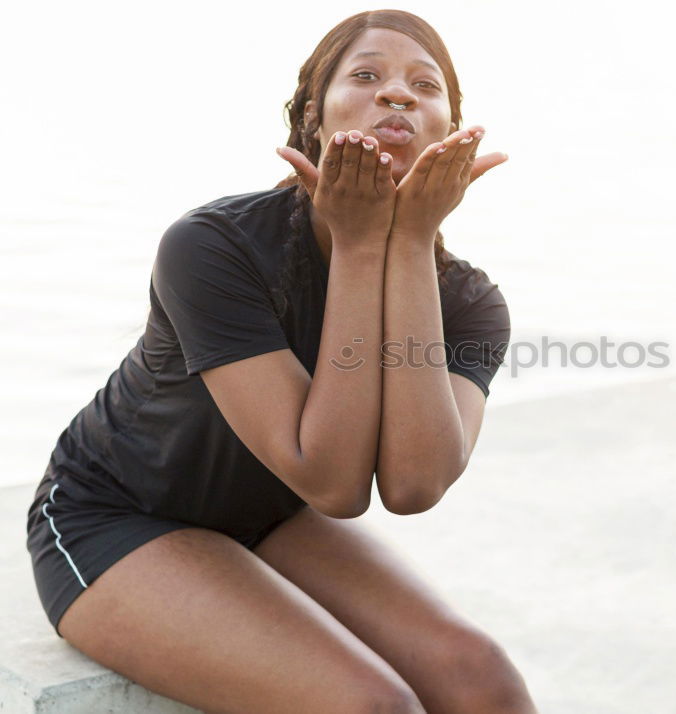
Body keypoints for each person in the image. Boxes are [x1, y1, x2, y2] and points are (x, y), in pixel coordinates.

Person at [24, 9, 539, 714]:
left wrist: (410, 243)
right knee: (370, 705)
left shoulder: (472, 303)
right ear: (312, 120)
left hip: (266, 511)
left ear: (449, 136)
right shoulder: (212, 246)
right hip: (119, 513)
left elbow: (416, 485)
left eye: (425, 86)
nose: (398, 95)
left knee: (481, 679)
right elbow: (333, 484)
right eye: (366, 76)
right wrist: (363, 248)